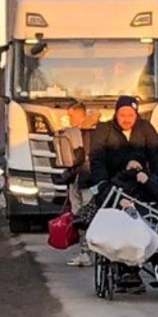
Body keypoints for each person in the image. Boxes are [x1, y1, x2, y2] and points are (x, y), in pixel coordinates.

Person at [90, 95, 158, 285]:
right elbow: (97, 160)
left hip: (142, 186)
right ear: (116, 114)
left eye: (130, 115)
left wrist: (155, 183)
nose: (126, 119)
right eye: (122, 115)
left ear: (136, 115)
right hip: (114, 186)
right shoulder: (104, 130)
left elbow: (157, 159)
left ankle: (156, 257)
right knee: (119, 217)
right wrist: (104, 185)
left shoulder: (146, 129)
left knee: (153, 213)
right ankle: (125, 267)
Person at [59, 103, 94, 268]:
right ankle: (86, 251)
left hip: (85, 180)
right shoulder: (76, 132)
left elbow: (78, 158)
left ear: (82, 115)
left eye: (72, 115)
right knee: (80, 215)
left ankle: (87, 252)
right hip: (78, 180)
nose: (70, 118)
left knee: (84, 215)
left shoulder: (86, 133)